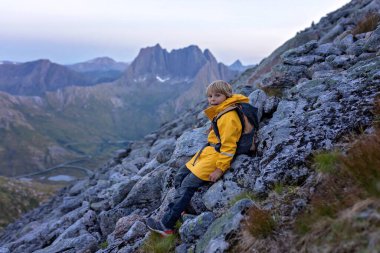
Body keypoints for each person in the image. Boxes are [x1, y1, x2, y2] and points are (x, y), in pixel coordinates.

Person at [146, 80, 250, 236]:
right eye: (209, 96)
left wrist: (220, 169)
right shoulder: (221, 110)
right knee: (180, 176)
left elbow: (229, 147)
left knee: (188, 185)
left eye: (217, 95)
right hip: (207, 153)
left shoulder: (229, 117)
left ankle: (166, 225)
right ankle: (181, 208)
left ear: (227, 95)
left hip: (215, 158)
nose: (212, 99)